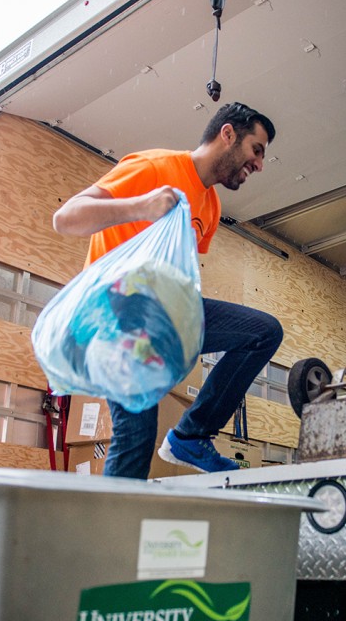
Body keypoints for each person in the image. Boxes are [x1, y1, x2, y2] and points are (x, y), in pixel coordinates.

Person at [52, 102, 283, 478]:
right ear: (228, 134)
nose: (259, 164)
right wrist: (140, 206)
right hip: (115, 313)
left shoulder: (210, 204)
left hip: (164, 312)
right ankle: (113, 529)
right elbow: (66, 218)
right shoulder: (155, 167)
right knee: (136, 435)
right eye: (256, 150)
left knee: (263, 332)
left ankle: (191, 436)